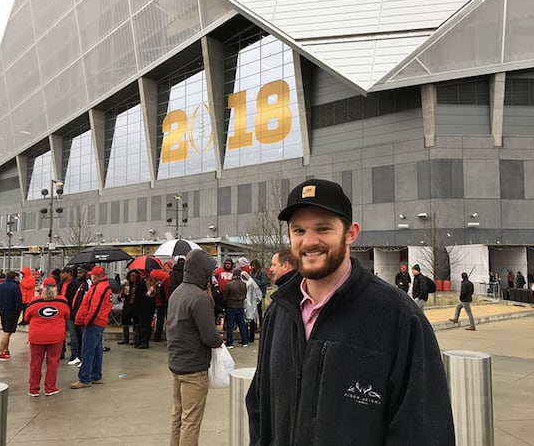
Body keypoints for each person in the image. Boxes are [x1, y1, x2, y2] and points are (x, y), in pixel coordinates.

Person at [246, 178, 454, 445]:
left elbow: (424, 431)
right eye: (299, 230)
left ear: (351, 233)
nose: (309, 241)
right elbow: (259, 407)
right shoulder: (279, 312)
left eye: (323, 228)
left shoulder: (399, 318)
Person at [166, 249, 223, 446]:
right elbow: (209, 337)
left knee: (178, 415)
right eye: (210, 272)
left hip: (177, 364)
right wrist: (219, 339)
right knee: (191, 421)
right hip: (194, 369)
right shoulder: (200, 298)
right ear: (202, 272)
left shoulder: (177, 293)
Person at [25, 277, 70, 396]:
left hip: (37, 336)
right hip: (55, 336)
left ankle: (33, 389)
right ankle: (50, 388)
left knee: (35, 363)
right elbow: (67, 315)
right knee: (53, 362)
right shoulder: (62, 301)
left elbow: (26, 317)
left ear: (42, 287)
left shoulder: (34, 301)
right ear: (56, 287)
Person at [71, 266, 112, 389]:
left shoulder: (98, 288)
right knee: (97, 350)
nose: (90, 277)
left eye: (92, 275)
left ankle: (84, 378)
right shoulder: (104, 287)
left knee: (87, 351)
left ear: (96, 276)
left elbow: (94, 307)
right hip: (100, 322)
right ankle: (96, 375)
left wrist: (86, 321)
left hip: (93, 323)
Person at [0, 271, 23, 361]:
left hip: (3, 310)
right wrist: (19, 308)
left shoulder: (0, 285)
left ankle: (6, 350)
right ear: (15, 277)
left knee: (6, 331)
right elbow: (18, 299)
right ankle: (0, 352)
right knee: (8, 331)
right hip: (12, 311)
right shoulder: (15, 287)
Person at [67, 264, 92, 366]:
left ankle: (83, 359)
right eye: (78, 272)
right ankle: (78, 357)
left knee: (83, 339)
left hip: (82, 316)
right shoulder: (81, 284)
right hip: (76, 315)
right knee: (78, 337)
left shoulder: (88, 284)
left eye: (81, 273)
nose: (78, 274)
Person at [223, 268, 249, 348]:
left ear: (233, 275)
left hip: (231, 306)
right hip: (240, 306)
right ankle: (245, 341)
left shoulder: (229, 285)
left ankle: (230, 343)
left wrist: (224, 305)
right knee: (241, 324)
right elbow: (245, 295)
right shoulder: (244, 284)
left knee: (230, 325)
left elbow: (225, 297)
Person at [58, 266, 79, 361]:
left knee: (73, 334)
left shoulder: (75, 284)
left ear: (69, 273)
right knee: (60, 334)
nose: (61, 274)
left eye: (63, 272)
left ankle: (74, 354)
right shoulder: (60, 284)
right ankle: (61, 352)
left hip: (70, 312)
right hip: (61, 312)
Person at [117, 269, 140, 345]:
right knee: (125, 322)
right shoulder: (126, 285)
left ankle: (135, 340)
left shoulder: (139, 285)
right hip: (127, 306)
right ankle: (125, 339)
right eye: (131, 276)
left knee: (136, 323)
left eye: (134, 276)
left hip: (136, 306)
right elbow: (121, 296)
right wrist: (123, 293)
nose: (133, 277)